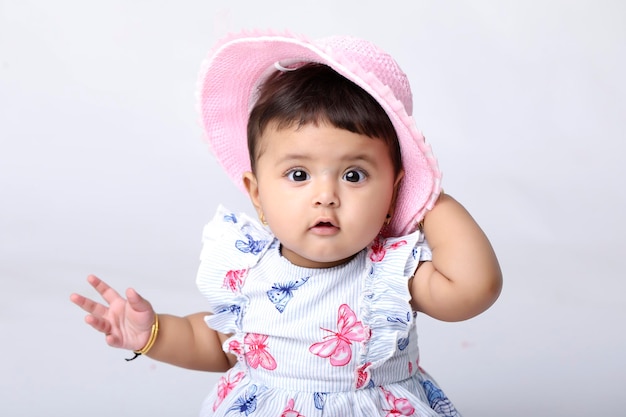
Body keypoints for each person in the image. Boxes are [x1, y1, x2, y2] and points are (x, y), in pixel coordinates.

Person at [70, 31, 502, 417]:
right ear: (256, 193)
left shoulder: (389, 276)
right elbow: (217, 345)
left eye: (354, 175)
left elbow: (473, 289)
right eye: (299, 174)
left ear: (393, 193)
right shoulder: (249, 269)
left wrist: (429, 198)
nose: (326, 195)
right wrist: (154, 333)